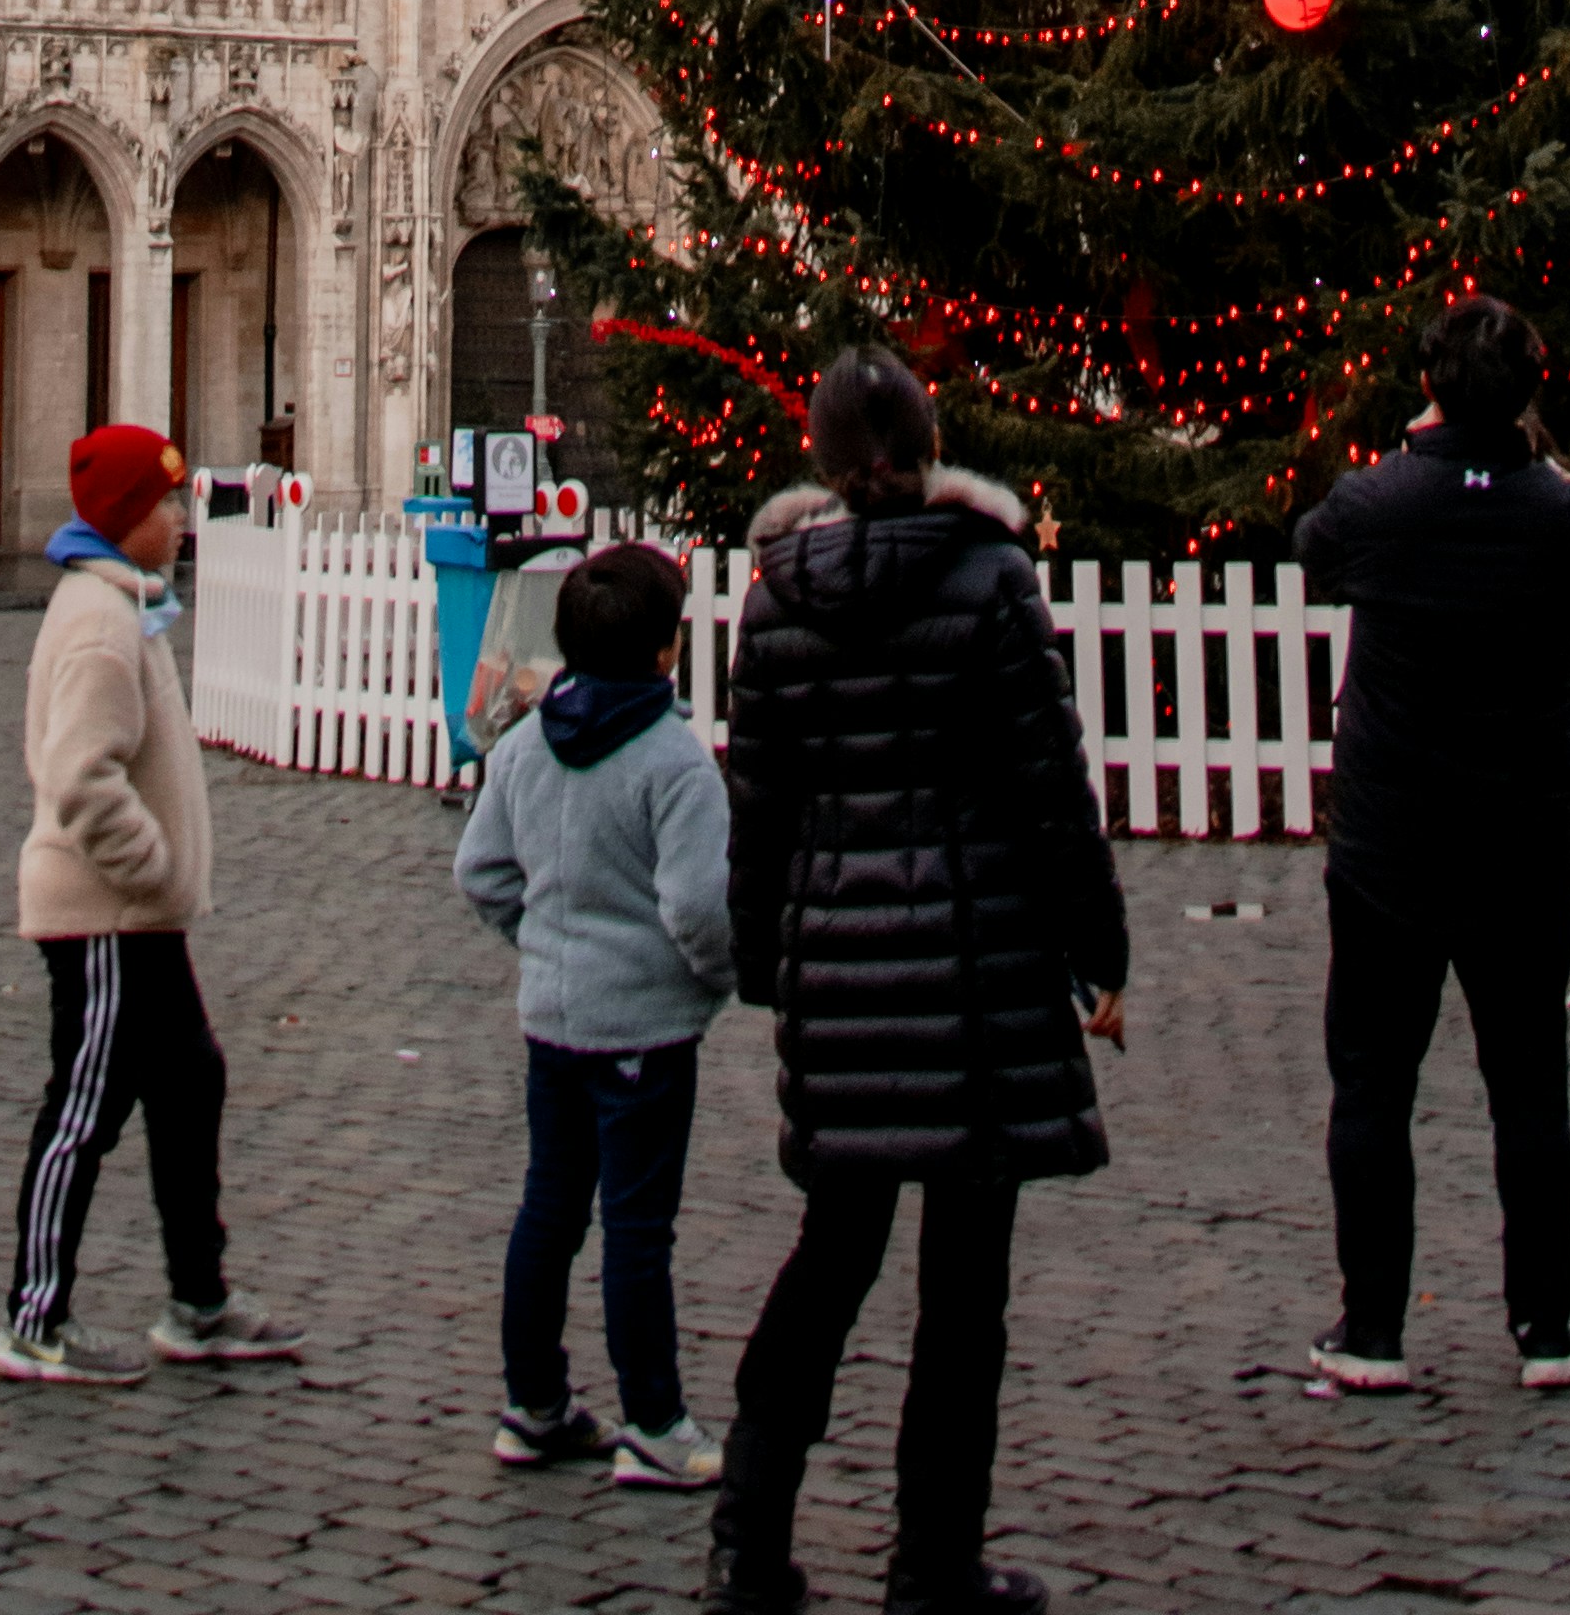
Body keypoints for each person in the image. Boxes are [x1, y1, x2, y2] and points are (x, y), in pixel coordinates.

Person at [710, 347, 1131, 1615]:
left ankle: (745, 1542)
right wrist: (1095, 950)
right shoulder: (993, 577)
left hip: (837, 964)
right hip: (977, 960)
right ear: (930, 441)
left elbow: (758, 806)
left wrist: (764, 962)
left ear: (823, 458)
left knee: (826, 1262)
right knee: (964, 1291)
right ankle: (930, 1563)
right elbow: (1049, 785)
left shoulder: (776, 599)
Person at [1288, 296, 1570, 1398]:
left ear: (1428, 388)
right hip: (1521, 834)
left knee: (1372, 1085)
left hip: (1393, 839)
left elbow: (1316, 551)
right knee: (1528, 1085)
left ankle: (1371, 1324)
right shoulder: (1565, 518)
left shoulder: (1380, 503)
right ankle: (1545, 1327)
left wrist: (1418, 451)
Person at [0, 421, 300, 1386]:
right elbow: (80, 777)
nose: (178, 515)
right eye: (164, 503)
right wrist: (155, 866)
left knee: (189, 1080)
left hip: (140, 918)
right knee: (84, 1107)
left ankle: (198, 1299)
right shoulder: (98, 621)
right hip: (108, 914)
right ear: (128, 520)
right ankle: (35, 1318)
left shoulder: (128, 604)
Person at [455, 536, 736, 1490]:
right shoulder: (675, 761)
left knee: (548, 1210)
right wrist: (712, 977)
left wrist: (542, 944)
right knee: (637, 1226)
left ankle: (534, 1402)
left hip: (552, 1020)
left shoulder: (526, 743)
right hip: (644, 1031)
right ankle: (653, 1419)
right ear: (668, 649)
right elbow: (701, 909)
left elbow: (482, 872)